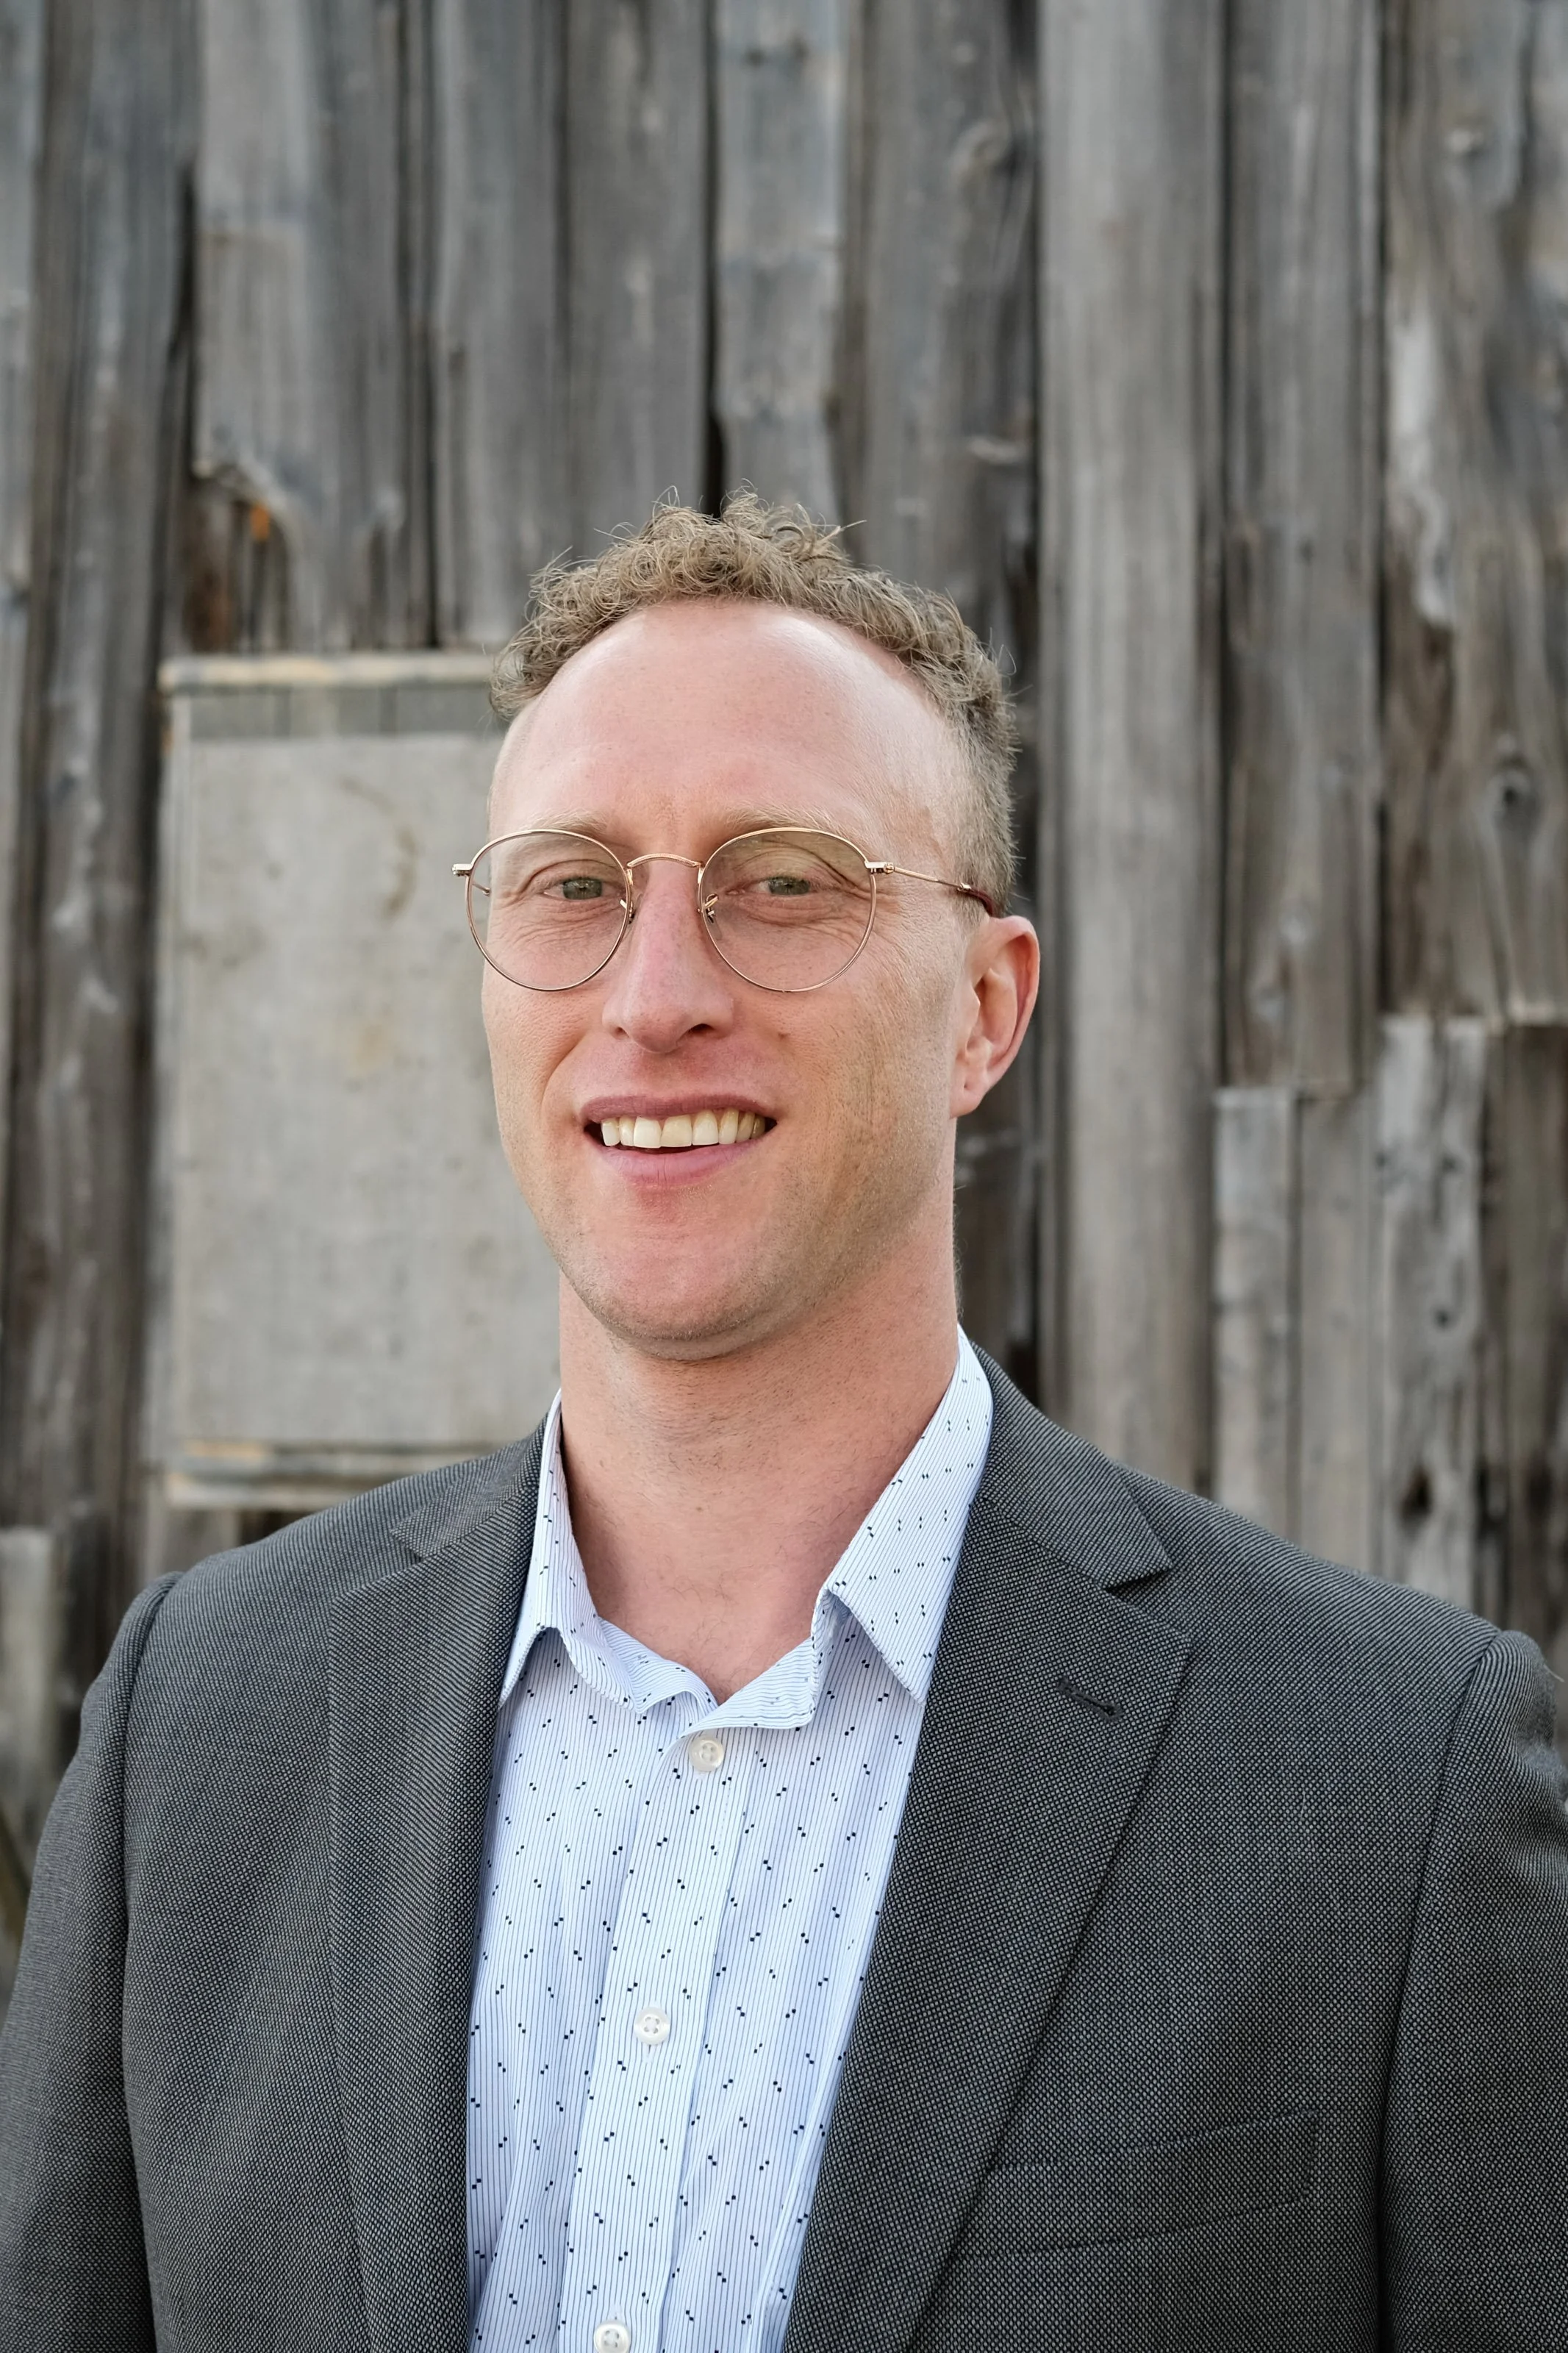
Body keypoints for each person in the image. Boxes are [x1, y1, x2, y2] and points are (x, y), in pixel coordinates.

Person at [1, 496, 1565, 2353]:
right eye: (575, 886)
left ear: (983, 1010)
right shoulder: (203, 1724)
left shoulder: (1387, 1778)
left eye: (783, 881)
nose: (656, 997)